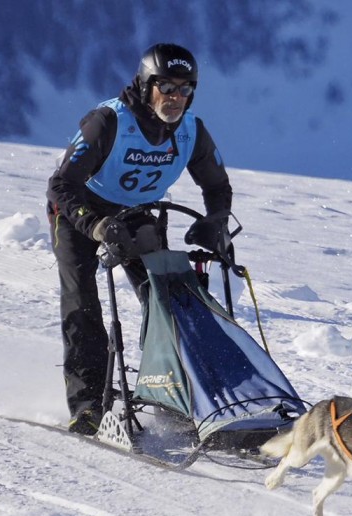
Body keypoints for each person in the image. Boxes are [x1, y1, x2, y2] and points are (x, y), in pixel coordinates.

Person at [47, 43, 232, 435]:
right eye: (167, 87)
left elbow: (218, 186)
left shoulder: (191, 132)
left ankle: (174, 398)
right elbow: (61, 185)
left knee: (170, 298)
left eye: (185, 90)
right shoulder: (108, 122)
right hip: (79, 211)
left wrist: (215, 222)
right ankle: (88, 407)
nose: (176, 98)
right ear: (147, 85)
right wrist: (95, 225)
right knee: (82, 300)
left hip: (134, 214)